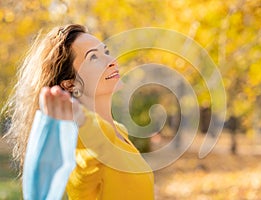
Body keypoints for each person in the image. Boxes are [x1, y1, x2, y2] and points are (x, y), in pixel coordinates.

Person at [3, 24, 154, 199]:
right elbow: (90, 158)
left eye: (106, 52)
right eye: (94, 58)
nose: (111, 60)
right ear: (70, 84)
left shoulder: (119, 131)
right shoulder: (77, 143)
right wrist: (80, 118)